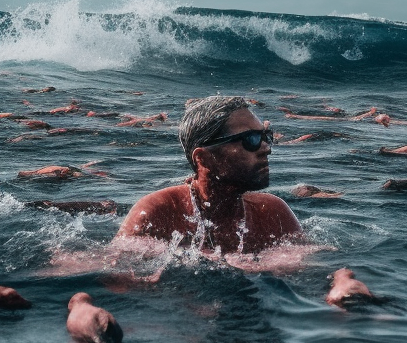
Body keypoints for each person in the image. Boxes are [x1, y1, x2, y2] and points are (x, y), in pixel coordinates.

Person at [118, 96, 303, 255]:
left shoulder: (272, 213)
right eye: (251, 139)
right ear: (203, 158)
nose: (266, 148)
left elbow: (313, 265)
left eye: (266, 136)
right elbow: (115, 274)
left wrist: (334, 277)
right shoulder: (158, 213)